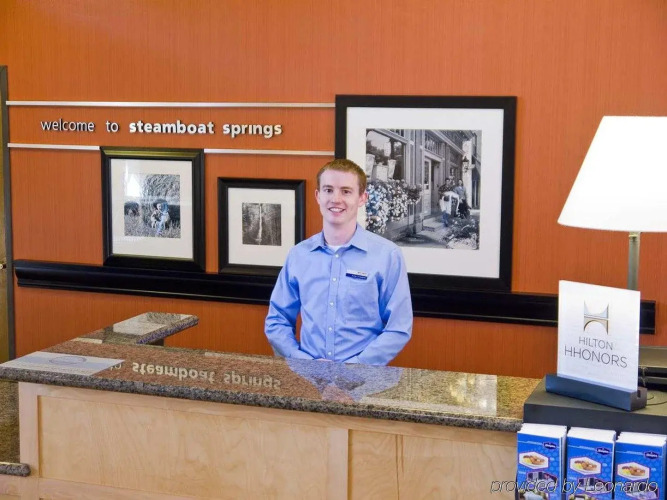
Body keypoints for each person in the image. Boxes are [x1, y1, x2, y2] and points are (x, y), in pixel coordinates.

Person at [265, 159, 413, 365]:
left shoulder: (387, 256)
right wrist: (303, 362)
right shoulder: (299, 255)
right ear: (318, 196)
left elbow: (398, 328)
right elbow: (277, 320)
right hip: (308, 377)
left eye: (346, 191)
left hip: (364, 379)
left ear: (362, 198)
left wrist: (353, 368)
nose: (336, 199)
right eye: (328, 190)